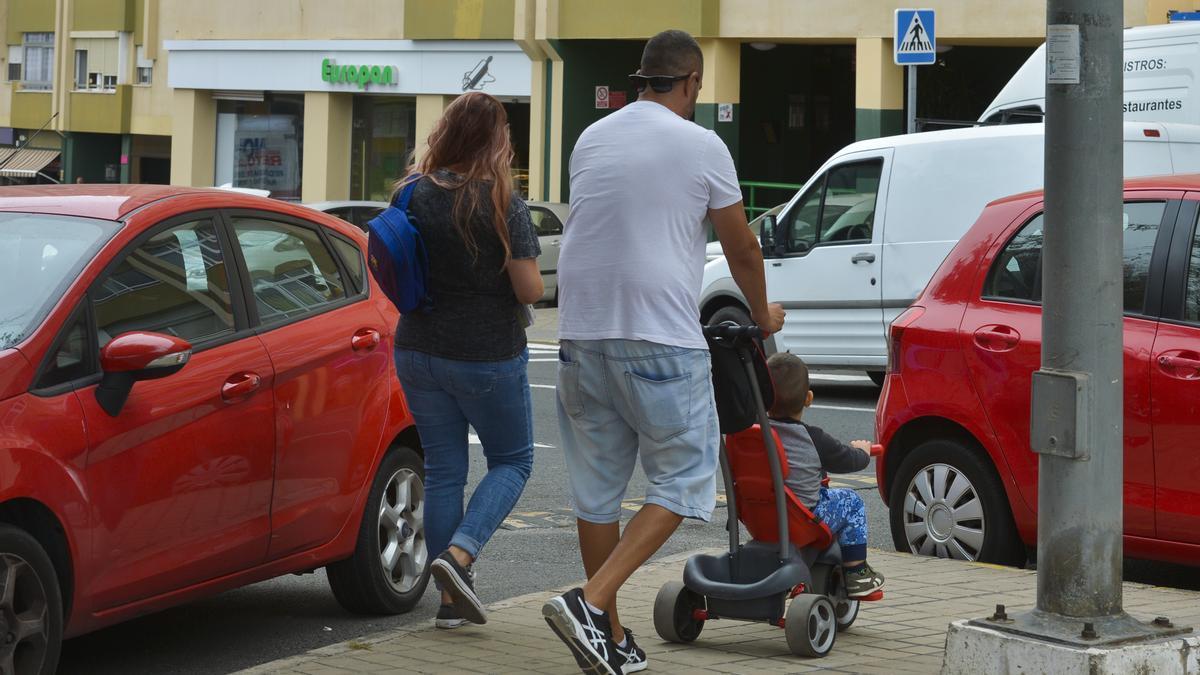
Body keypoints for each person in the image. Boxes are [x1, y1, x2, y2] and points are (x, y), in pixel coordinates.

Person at [542, 28, 785, 675]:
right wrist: (763, 318)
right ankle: (592, 601)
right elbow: (742, 250)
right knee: (684, 479)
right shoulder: (702, 146)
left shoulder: (591, 138)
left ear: (641, 77)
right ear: (692, 84)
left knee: (597, 496)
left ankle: (610, 638)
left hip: (577, 334)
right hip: (657, 336)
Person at [391, 92, 544, 630]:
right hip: (485, 356)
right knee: (513, 461)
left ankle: (450, 606)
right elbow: (528, 290)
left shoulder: (410, 192)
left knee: (445, 471)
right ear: (496, 140)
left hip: (416, 348)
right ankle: (459, 556)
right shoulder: (503, 201)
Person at [765, 352, 885, 598]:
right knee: (852, 502)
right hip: (803, 516)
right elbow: (849, 459)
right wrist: (861, 450)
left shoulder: (755, 433)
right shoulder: (812, 438)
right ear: (808, 399)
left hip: (763, 513)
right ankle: (856, 572)